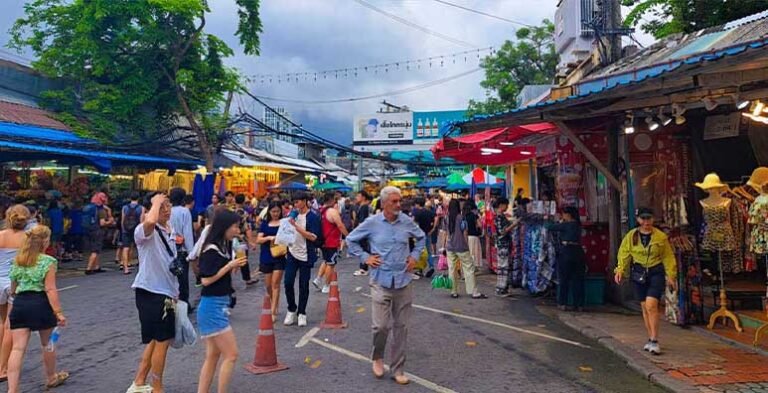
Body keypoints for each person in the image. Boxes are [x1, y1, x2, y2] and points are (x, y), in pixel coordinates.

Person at [346, 186, 425, 385]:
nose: (399, 205)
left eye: (400, 201)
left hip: (403, 280)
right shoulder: (372, 223)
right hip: (380, 280)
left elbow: (422, 238)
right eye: (394, 201)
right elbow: (350, 240)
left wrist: (414, 256)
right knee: (380, 326)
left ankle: (398, 368)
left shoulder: (406, 221)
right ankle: (378, 357)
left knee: (402, 327)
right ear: (383, 204)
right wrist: (366, 257)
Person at [127, 193, 179, 393]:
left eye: (168, 205)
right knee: (162, 342)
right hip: (151, 291)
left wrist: (175, 292)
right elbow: (149, 221)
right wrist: (155, 202)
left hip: (166, 291)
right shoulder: (144, 231)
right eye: (161, 206)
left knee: (156, 340)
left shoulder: (169, 229)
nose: (166, 209)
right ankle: (157, 387)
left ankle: (139, 381)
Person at [6, 225, 68, 392]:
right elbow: (50, 288)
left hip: (20, 303)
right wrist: (58, 312)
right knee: (48, 343)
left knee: (18, 348)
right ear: (45, 241)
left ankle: (12, 389)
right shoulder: (48, 261)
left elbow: (13, 287)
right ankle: (51, 377)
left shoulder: (18, 259)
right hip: (40, 303)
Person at [196, 210, 248, 393]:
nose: (237, 230)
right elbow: (206, 280)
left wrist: (230, 268)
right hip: (213, 307)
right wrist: (229, 266)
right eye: (234, 226)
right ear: (224, 227)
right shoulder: (211, 250)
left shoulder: (221, 246)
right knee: (231, 355)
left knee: (213, 355)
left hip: (216, 305)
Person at [614, 207, 677, 355]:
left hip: (655, 272)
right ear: (638, 220)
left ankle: (655, 340)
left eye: (649, 218)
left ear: (653, 219)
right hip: (638, 273)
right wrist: (620, 270)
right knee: (644, 307)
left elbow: (668, 257)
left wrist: (671, 275)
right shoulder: (631, 236)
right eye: (643, 218)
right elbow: (624, 254)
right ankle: (650, 337)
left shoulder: (660, 237)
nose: (646, 221)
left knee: (651, 305)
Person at [0, 205, 30, 381]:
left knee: (1, 321)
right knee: (10, 326)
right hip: (14, 283)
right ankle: (2, 367)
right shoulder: (27, 239)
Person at [283, 192, 322, 328]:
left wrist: (296, 227)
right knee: (288, 282)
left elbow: (313, 237)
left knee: (303, 285)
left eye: (298, 201)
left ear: (305, 201)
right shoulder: (291, 216)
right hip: (292, 253)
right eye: (294, 202)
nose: (296, 205)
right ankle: (291, 308)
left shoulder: (313, 217)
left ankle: (302, 312)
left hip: (306, 255)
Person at [445, 199, 487, 299]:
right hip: (461, 247)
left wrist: (444, 245)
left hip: (450, 247)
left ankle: (453, 291)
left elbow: (446, 233)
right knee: (469, 268)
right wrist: (466, 245)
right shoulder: (461, 218)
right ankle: (473, 291)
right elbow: (465, 232)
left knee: (452, 269)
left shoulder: (446, 218)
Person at [549, 207, 585, 311]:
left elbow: (550, 227)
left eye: (564, 214)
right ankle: (579, 304)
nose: (563, 216)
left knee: (564, 279)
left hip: (566, 252)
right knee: (578, 279)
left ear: (568, 215)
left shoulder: (566, 225)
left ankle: (562, 303)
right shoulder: (578, 225)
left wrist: (552, 219)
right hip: (578, 252)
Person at [256, 202, 287, 322]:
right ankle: (273, 302)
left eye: (277, 211)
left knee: (275, 284)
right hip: (266, 256)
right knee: (268, 285)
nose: (275, 214)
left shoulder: (284, 224)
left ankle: (273, 310)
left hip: (279, 256)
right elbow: (258, 239)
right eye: (273, 211)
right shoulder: (264, 224)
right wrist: (269, 238)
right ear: (269, 212)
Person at [313, 193, 348, 294]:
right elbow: (340, 225)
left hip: (323, 241)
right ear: (332, 200)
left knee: (326, 260)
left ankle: (318, 279)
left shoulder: (320, 211)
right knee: (331, 264)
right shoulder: (332, 211)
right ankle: (327, 285)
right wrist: (348, 236)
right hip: (331, 241)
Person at [170, 188, 195, 306]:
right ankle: (184, 303)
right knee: (183, 277)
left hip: (169, 248)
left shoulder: (167, 211)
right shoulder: (184, 211)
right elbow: (187, 232)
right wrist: (191, 252)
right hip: (182, 249)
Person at [84, 192, 114, 275]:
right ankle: (89, 268)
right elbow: (102, 223)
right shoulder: (101, 211)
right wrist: (110, 221)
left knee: (95, 249)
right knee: (96, 250)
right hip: (97, 231)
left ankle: (96, 266)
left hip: (89, 230)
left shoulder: (90, 207)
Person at [493, 197, 517, 297]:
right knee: (503, 266)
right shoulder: (499, 217)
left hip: (503, 244)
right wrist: (514, 224)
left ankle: (503, 288)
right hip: (503, 244)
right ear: (501, 205)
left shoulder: (501, 216)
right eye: (506, 205)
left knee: (504, 266)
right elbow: (502, 231)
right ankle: (501, 289)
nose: (507, 207)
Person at [233, 194, 258, 286]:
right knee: (242, 259)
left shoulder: (231, 211)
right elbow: (247, 228)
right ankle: (247, 278)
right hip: (240, 239)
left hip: (230, 238)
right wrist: (251, 242)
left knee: (235, 257)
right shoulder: (244, 213)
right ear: (243, 202)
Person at [121, 192, 146, 275]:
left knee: (126, 247)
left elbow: (122, 220)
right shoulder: (141, 208)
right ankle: (140, 266)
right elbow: (142, 221)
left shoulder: (124, 207)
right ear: (138, 198)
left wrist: (123, 229)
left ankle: (125, 268)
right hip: (136, 230)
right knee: (139, 247)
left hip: (126, 230)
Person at [411, 197, 436, 277]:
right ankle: (431, 266)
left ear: (417, 204)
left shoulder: (416, 213)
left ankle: (420, 270)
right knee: (429, 251)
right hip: (428, 233)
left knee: (419, 252)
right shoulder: (428, 212)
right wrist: (433, 229)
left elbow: (413, 223)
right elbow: (435, 218)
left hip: (419, 235)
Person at [352, 191, 372, 277]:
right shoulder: (362, 206)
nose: (356, 197)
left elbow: (362, 221)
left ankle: (363, 268)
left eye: (358, 196)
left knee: (364, 249)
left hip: (363, 233)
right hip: (362, 232)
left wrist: (359, 233)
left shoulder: (364, 207)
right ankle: (363, 267)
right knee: (364, 248)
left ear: (363, 197)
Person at [464, 199, 484, 270]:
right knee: (474, 253)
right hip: (474, 236)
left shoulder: (464, 215)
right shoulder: (474, 216)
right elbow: (480, 225)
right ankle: (474, 267)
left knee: (468, 253)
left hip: (466, 237)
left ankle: (468, 267)